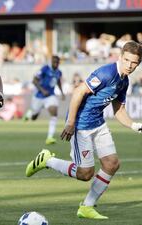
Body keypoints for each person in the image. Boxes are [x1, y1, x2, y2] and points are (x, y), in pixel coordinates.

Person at [25, 41, 142, 220]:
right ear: (120, 57)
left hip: (98, 123)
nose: (130, 65)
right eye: (127, 60)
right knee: (85, 174)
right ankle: (47, 160)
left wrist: (134, 125)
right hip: (81, 125)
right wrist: (71, 122)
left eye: (134, 63)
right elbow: (79, 92)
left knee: (112, 164)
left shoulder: (123, 81)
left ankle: (87, 207)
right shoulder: (106, 73)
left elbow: (118, 110)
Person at [23, 55, 65, 145]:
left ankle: (50, 137)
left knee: (54, 113)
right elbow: (34, 80)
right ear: (51, 62)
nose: (56, 64)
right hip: (39, 96)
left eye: (57, 62)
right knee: (34, 117)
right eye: (54, 62)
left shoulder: (59, 72)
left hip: (50, 96)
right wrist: (42, 90)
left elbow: (58, 82)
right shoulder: (44, 69)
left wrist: (62, 92)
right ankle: (30, 113)